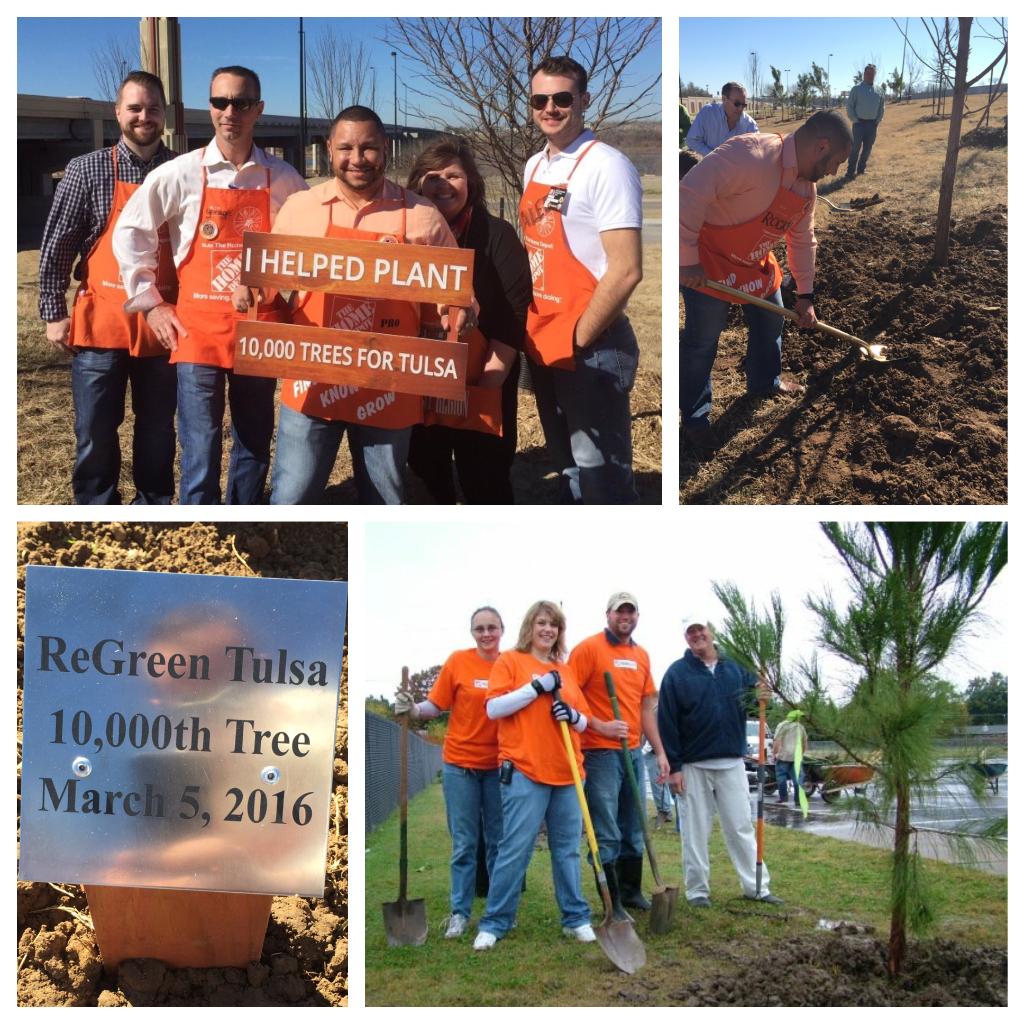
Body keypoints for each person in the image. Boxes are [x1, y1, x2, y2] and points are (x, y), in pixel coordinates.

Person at [114, 65, 307, 504]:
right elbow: (132, 232)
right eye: (220, 101)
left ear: (258, 109)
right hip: (197, 330)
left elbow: (307, 249)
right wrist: (151, 303)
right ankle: (198, 517)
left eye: (240, 102)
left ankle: (247, 515)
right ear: (210, 107)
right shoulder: (179, 173)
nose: (230, 111)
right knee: (199, 445)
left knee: (255, 439)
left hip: (260, 331)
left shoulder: (286, 179)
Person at [266, 106, 459, 504]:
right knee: (292, 497)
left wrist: (456, 309)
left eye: (369, 147)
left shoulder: (423, 216)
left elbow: (455, 292)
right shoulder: (299, 209)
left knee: (385, 499)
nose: (357, 159)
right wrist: (251, 293)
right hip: (312, 377)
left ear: (385, 149)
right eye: (346, 148)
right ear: (328, 149)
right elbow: (268, 284)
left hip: (388, 383)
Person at [38, 71, 177, 505]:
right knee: (95, 427)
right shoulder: (86, 170)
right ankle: (96, 503)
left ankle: (154, 504)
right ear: (118, 113)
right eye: (134, 108)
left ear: (164, 115)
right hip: (102, 326)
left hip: (162, 327)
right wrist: (53, 312)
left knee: (157, 427)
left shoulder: (182, 172)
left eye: (152, 108)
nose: (144, 116)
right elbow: (57, 244)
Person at [679, 110, 853, 451]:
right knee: (702, 341)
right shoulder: (750, 155)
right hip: (708, 265)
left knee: (772, 319)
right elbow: (689, 195)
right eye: (837, 161)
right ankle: (695, 418)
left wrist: (806, 295)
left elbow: (802, 241)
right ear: (821, 146)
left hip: (754, 262)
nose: (834, 171)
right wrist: (687, 261)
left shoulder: (806, 190)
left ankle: (764, 382)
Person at [520, 55, 644, 504]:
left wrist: (578, 338)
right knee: (569, 463)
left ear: (584, 100)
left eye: (562, 98)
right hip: (544, 340)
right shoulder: (534, 165)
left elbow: (627, 268)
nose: (549, 107)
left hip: (591, 347)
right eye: (539, 99)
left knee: (602, 480)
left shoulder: (607, 167)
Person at [405, 138, 532, 503]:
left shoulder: (498, 237)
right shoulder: (405, 237)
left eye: (453, 175)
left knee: (487, 479)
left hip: (484, 375)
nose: (442, 184)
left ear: (471, 183)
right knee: (428, 471)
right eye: (432, 176)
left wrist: (486, 387)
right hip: (422, 379)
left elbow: (512, 319)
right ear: (417, 184)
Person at [472, 601, 595, 950]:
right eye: (542, 622)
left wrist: (571, 715)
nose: (548, 629)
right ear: (530, 626)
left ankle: (575, 918)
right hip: (525, 769)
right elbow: (494, 707)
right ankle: (496, 921)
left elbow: (585, 721)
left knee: (567, 849)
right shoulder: (510, 661)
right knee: (515, 848)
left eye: (554, 624)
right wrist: (536, 689)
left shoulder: (566, 670)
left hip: (568, 773)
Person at [395, 607, 505, 938]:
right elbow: (434, 705)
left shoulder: (511, 664)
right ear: (472, 632)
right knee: (464, 842)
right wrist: (412, 709)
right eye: (479, 628)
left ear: (502, 629)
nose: (486, 634)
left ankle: (499, 912)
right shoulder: (458, 661)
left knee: (499, 843)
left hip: (500, 766)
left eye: (492, 628)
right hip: (460, 765)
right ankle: (460, 913)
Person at [657, 620, 782, 907]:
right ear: (685, 638)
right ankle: (698, 891)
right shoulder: (677, 674)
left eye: (701, 630)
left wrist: (766, 698)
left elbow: (758, 706)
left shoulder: (737, 667)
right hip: (693, 765)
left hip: (732, 762)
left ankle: (757, 887)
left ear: (711, 632)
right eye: (690, 632)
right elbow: (667, 723)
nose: (697, 635)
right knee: (694, 830)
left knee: (740, 826)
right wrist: (674, 767)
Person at [569, 592, 668, 913]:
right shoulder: (588, 649)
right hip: (599, 754)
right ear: (607, 614)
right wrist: (600, 726)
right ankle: (612, 904)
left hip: (634, 753)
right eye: (619, 611)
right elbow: (569, 699)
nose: (625, 616)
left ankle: (631, 892)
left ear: (637, 616)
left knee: (634, 823)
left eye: (631, 611)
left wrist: (660, 751)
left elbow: (645, 707)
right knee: (607, 830)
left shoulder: (641, 656)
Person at [685, 83, 760, 157]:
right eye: (737, 104)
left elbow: (756, 150)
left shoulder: (750, 125)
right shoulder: (707, 113)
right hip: (708, 167)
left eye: (744, 105)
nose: (740, 109)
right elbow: (692, 140)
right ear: (724, 99)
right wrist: (715, 157)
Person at [845, 65, 885, 179]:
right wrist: (855, 119)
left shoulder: (879, 90)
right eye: (868, 74)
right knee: (855, 148)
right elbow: (849, 106)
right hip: (859, 124)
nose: (870, 76)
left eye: (872, 74)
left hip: (872, 125)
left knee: (868, 148)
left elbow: (882, 107)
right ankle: (850, 172)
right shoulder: (856, 89)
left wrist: (877, 121)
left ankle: (861, 169)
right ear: (864, 74)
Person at [772, 709, 809, 806]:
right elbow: (805, 742)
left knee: (781, 777)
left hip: (784, 755)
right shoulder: (800, 727)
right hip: (796, 757)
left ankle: (783, 798)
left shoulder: (782, 725)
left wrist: (774, 754)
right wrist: (801, 753)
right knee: (797, 780)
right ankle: (798, 800)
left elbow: (777, 741)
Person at [643, 738, 675, 827]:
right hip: (652, 751)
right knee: (661, 782)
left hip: (654, 751)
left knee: (657, 782)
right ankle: (664, 809)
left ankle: (664, 810)